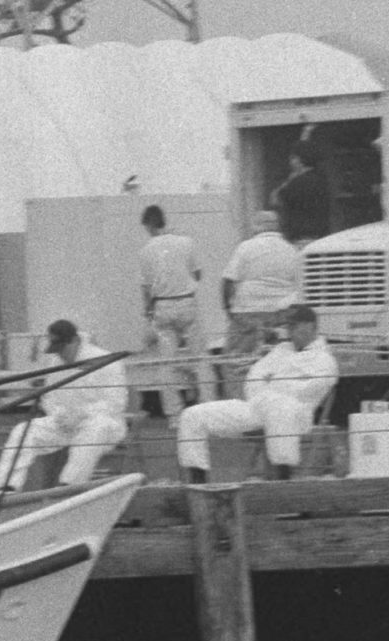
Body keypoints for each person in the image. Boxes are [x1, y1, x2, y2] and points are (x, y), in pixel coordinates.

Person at [175, 303, 339, 481]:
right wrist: (277, 387)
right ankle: (198, 482)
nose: (290, 332)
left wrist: (272, 384)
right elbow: (252, 381)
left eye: (295, 326)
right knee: (191, 415)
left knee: (279, 408)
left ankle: (283, 480)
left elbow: (309, 391)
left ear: (311, 326)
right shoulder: (280, 350)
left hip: (295, 414)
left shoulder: (324, 359)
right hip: (256, 408)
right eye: (289, 327)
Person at [0, 319, 130, 492]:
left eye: (62, 348)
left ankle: (69, 486)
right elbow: (49, 397)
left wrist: (81, 414)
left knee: (96, 428)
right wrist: (59, 415)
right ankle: (5, 487)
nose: (60, 355)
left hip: (105, 424)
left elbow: (115, 403)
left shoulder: (106, 361)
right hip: (64, 424)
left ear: (74, 340)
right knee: (23, 431)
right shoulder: (55, 362)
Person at [136, 204, 204, 416]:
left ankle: (175, 414)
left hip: (162, 306)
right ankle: (207, 405)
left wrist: (148, 312)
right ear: (163, 219)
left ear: (148, 224)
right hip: (186, 303)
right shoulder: (186, 242)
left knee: (167, 363)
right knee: (200, 358)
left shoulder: (146, 250)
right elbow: (198, 274)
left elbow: (146, 289)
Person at [220, 209, 303, 359]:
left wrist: (228, 309)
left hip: (247, 312)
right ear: (277, 226)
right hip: (282, 314)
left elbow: (228, 281)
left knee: (238, 360)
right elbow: (300, 285)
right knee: (279, 359)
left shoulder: (245, 247)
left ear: (256, 226)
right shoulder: (292, 250)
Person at [272, 146, 330, 243]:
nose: (290, 162)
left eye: (293, 158)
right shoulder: (322, 179)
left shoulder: (296, 183)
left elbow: (275, 200)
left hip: (299, 236)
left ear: (300, 160)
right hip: (320, 234)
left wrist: (288, 181)